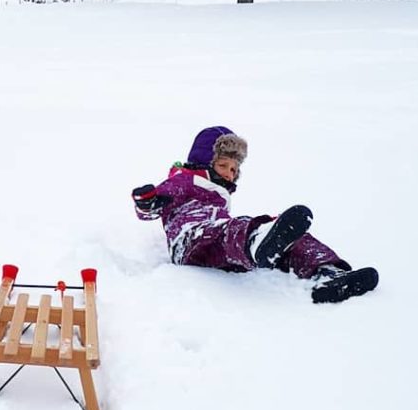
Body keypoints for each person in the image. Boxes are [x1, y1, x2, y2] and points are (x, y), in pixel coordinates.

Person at [131, 126, 378, 303]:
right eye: (223, 165)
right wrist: (148, 201)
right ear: (205, 160)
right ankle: (255, 240)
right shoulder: (185, 179)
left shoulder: (220, 195)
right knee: (234, 230)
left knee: (284, 235)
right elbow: (155, 203)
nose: (229, 173)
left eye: (234, 169)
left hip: (217, 247)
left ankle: (326, 273)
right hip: (190, 240)